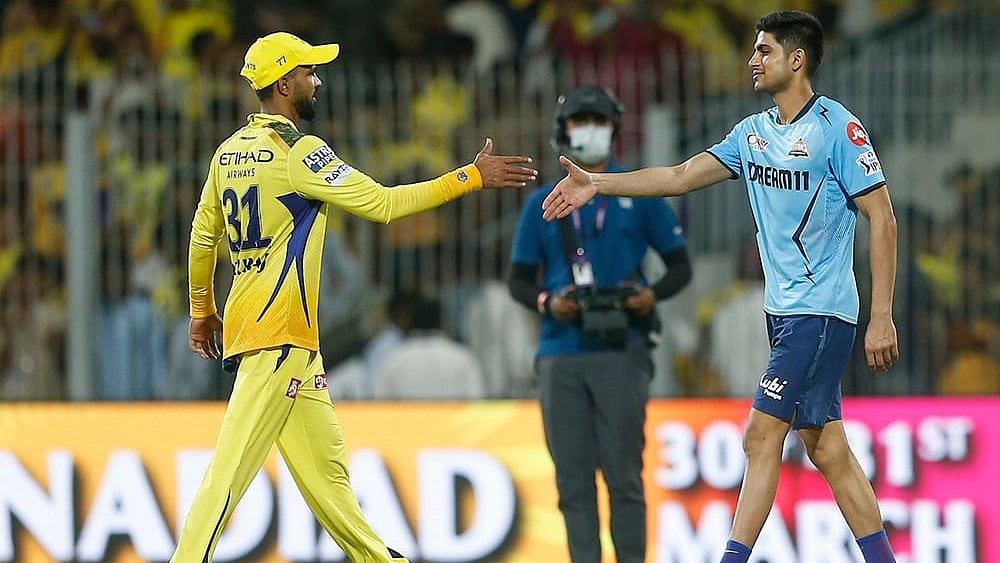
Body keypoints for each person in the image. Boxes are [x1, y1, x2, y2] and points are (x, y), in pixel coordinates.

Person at [541, 12, 899, 563]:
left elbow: (883, 216)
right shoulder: (751, 134)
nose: (752, 61)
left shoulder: (837, 128)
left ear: (796, 59)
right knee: (828, 449)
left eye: (764, 51)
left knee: (760, 436)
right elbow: (679, 177)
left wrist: (882, 315)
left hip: (821, 312)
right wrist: (598, 184)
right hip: (783, 314)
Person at [173, 31, 536, 563]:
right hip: (278, 338)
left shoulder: (227, 153)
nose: (317, 82)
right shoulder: (299, 152)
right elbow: (383, 205)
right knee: (225, 476)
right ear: (283, 84)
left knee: (331, 486)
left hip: (285, 342)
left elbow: (203, 238)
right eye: (308, 73)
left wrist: (202, 311)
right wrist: (469, 177)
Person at [509, 85, 692, 563]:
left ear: (614, 129)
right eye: (580, 120)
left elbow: (680, 267)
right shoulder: (541, 203)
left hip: (622, 348)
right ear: (563, 131)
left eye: (599, 120)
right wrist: (549, 302)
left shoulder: (641, 195)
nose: (590, 129)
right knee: (572, 482)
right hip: (561, 351)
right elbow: (518, 281)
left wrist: (650, 295)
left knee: (624, 477)